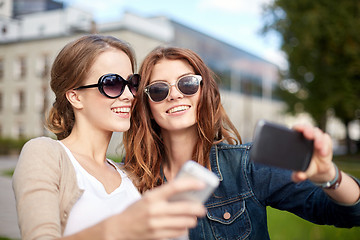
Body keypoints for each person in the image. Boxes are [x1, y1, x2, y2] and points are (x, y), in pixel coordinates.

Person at [123, 46, 360, 239]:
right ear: (147, 105)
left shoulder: (246, 165)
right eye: (158, 90)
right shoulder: (128, 179)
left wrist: (330, 176)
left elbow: (350, 214)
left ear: (204, 91)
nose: (174, 95)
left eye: (187, 83)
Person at [12, 36, 206, 240]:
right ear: (75, 97)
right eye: (112, 84)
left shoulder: (134, 176)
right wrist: (120, 228)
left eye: (132, 83)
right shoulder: (45, 154)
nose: (129, 96)